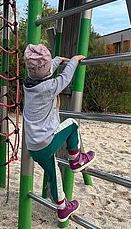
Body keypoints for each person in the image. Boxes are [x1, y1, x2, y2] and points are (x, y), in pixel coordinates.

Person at [23, 44, 96, 222]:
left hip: (33, 147)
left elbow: (43, 71)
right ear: (47, 70)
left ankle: (63, 208)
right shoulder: (49, 87)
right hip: (46, 142)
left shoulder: (28, 83)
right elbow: (66, 77)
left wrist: (56, 60)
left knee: (54, 173)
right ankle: (76, 159)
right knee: (72, 124)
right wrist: (73, 61)